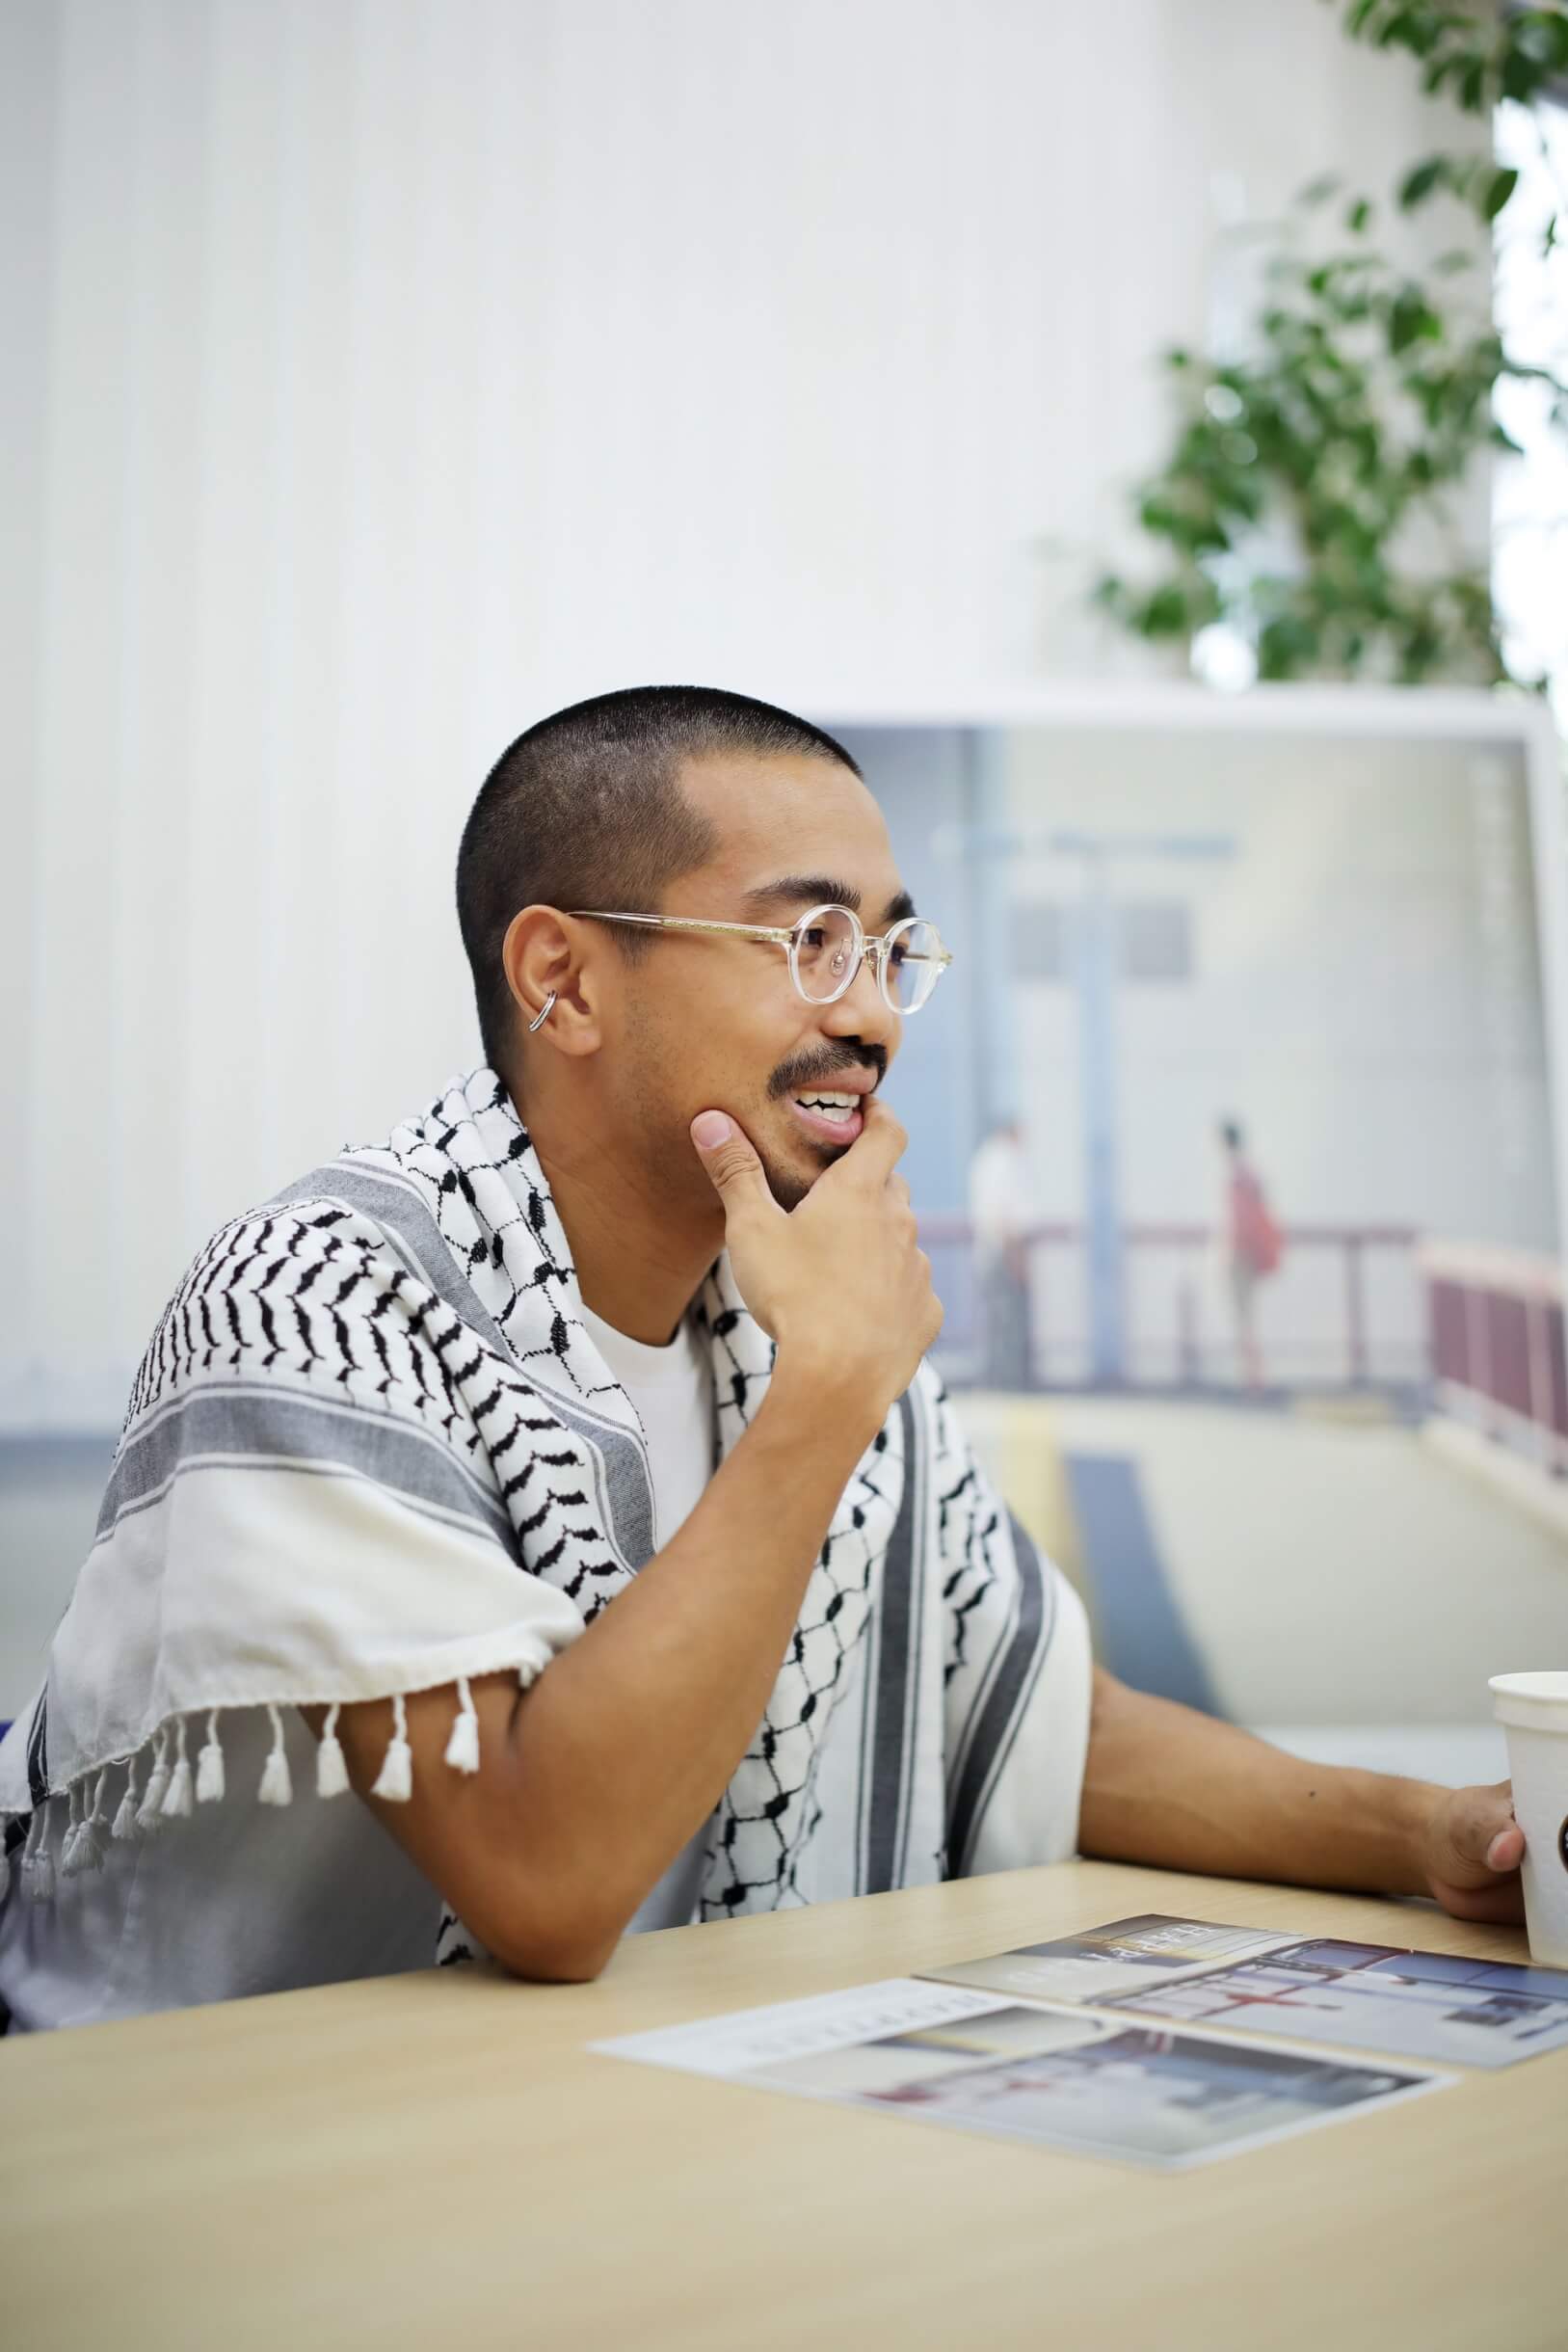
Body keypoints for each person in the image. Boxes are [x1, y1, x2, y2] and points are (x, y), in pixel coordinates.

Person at [0, 687, 1524, 2030]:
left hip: (581, 2135)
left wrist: (1430, 1832)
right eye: (805, 940)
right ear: (563, 982)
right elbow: (542, 1880)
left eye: (887, 950)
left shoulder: (792, 1311)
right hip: (189, 2145)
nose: (868, 1013)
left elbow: (1030, 1720)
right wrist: (826, 1397)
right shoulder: (318, 1298)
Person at [1218, 1117, 1282, 1394]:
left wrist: (1232, 1250)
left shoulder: (1237, 1174)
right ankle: (1252, 1374)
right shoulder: (1248, 1172)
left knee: (1244, 1316)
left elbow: (1240, 1218)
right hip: (1248, 1251)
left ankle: (1252, 1377)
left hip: (1240, 1253)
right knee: (1247, 1316)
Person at [968, 1117, 1031, 1389]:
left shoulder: (985, 1159)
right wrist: (1016, 1258)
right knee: (1008, 1318)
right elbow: (1006, 1216)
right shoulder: (1004, 1162)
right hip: (1003, 1250)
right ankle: (1008, 1379)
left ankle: (996, 1377)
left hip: (988, 1248)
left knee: (995, 1317)